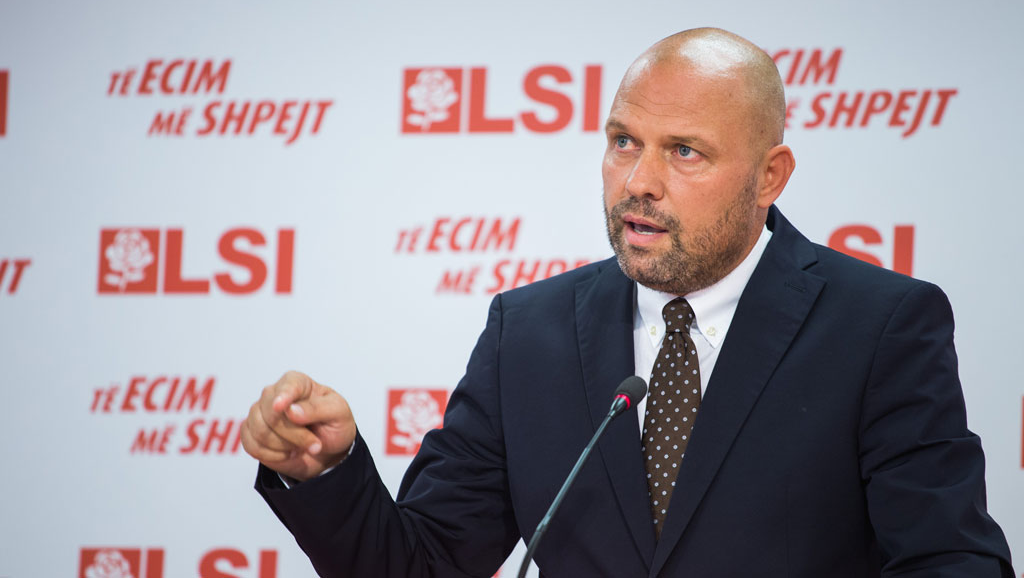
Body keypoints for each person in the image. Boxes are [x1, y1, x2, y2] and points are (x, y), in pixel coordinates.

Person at [241, 28, 1013, 577]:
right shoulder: (527, 332)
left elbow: (949, 559)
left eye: (685, 151)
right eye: (622, 141)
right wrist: (326, 472)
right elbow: (428, 564)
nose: (639, 182)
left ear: (769, 176)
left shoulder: (878, 325)